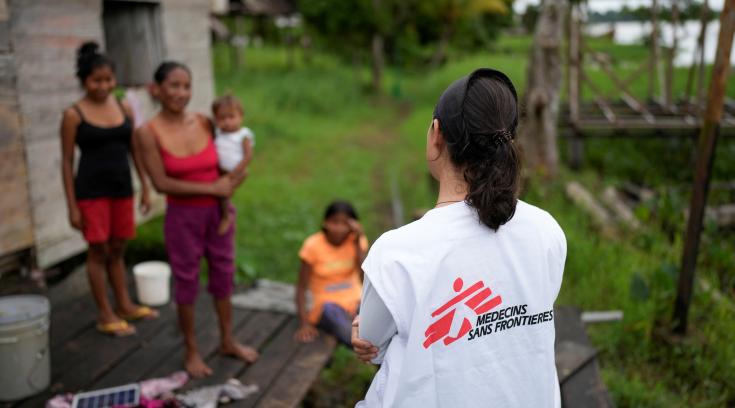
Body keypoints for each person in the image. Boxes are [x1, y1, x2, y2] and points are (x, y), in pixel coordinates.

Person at [351, 68, 567, 407]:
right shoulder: (547, 230)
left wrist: (360, 328)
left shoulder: (397, 252)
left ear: (436, 134)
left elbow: (370, 344)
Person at [136, 61, 259, 378]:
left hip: (217, 214)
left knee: (224, 274)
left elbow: (227, 157)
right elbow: (161, 183)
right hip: (182, 218)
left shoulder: (206, 122)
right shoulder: (147, 133)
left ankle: (228, 340)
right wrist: (211, 187)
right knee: (187, 281)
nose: (181, 93)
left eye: (186, 86)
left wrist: (231, 185)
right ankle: (191, 349)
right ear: (158, 88)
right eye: (174, 85)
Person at [60, 41, 157, 337]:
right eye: (96, 80)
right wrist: (72, 206)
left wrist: (144, 186)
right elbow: (66, 162)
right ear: (83, 81)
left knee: (118, 247)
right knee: (98, 250)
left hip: (122, 189)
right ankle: (105, 313)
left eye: (108, 80)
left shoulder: (123, 106)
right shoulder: (74, 115)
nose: (103, 86)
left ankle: (125, 304)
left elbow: (134, 150)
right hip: (91, 192)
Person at [294, 201, 368, 346]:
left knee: (377, 321)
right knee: (351, 333)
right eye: (334, 222)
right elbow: (301, 288)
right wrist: (304, 323)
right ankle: (370, 351)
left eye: (345, 223)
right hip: (327, 306)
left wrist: (358, 239)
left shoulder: (357, 241)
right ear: (325, 223)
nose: (339, 228)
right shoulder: (313, 246)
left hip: (356, 300)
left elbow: (364, 274)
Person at [212, 94, 254, 235]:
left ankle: (225, 217)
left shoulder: (243, 135)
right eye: (222, 118)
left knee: (223, 193)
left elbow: (248, 156)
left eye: (231, 117)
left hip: (236, 171)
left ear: (241, 116)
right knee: (220, 192)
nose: (227, 122)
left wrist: (234, 173)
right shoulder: (218, 132)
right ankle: (222, 212)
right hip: (220, 170)